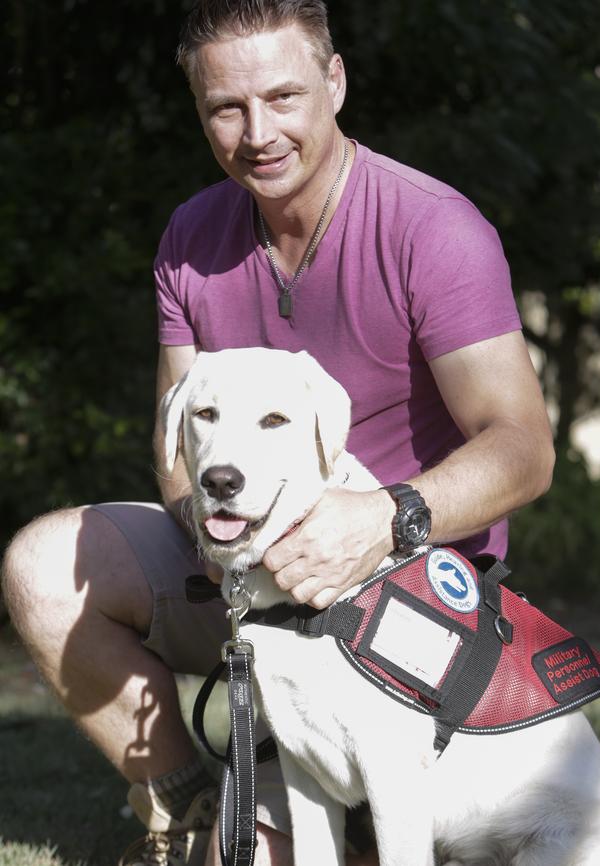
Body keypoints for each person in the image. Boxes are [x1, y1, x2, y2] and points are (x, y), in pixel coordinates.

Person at [2, 1, 555, 864]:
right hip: (246, 580)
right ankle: (192, 811)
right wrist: (224, 544)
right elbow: (175, 440)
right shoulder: (189, 237)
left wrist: (383, 516)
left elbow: (524, 447)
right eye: (226, 106)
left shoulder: (434, 228)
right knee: (40, 566)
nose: (258, 132)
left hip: (403, 588)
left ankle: (324, 812)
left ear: (335, 83)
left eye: (284, 97)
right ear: (199, 109)